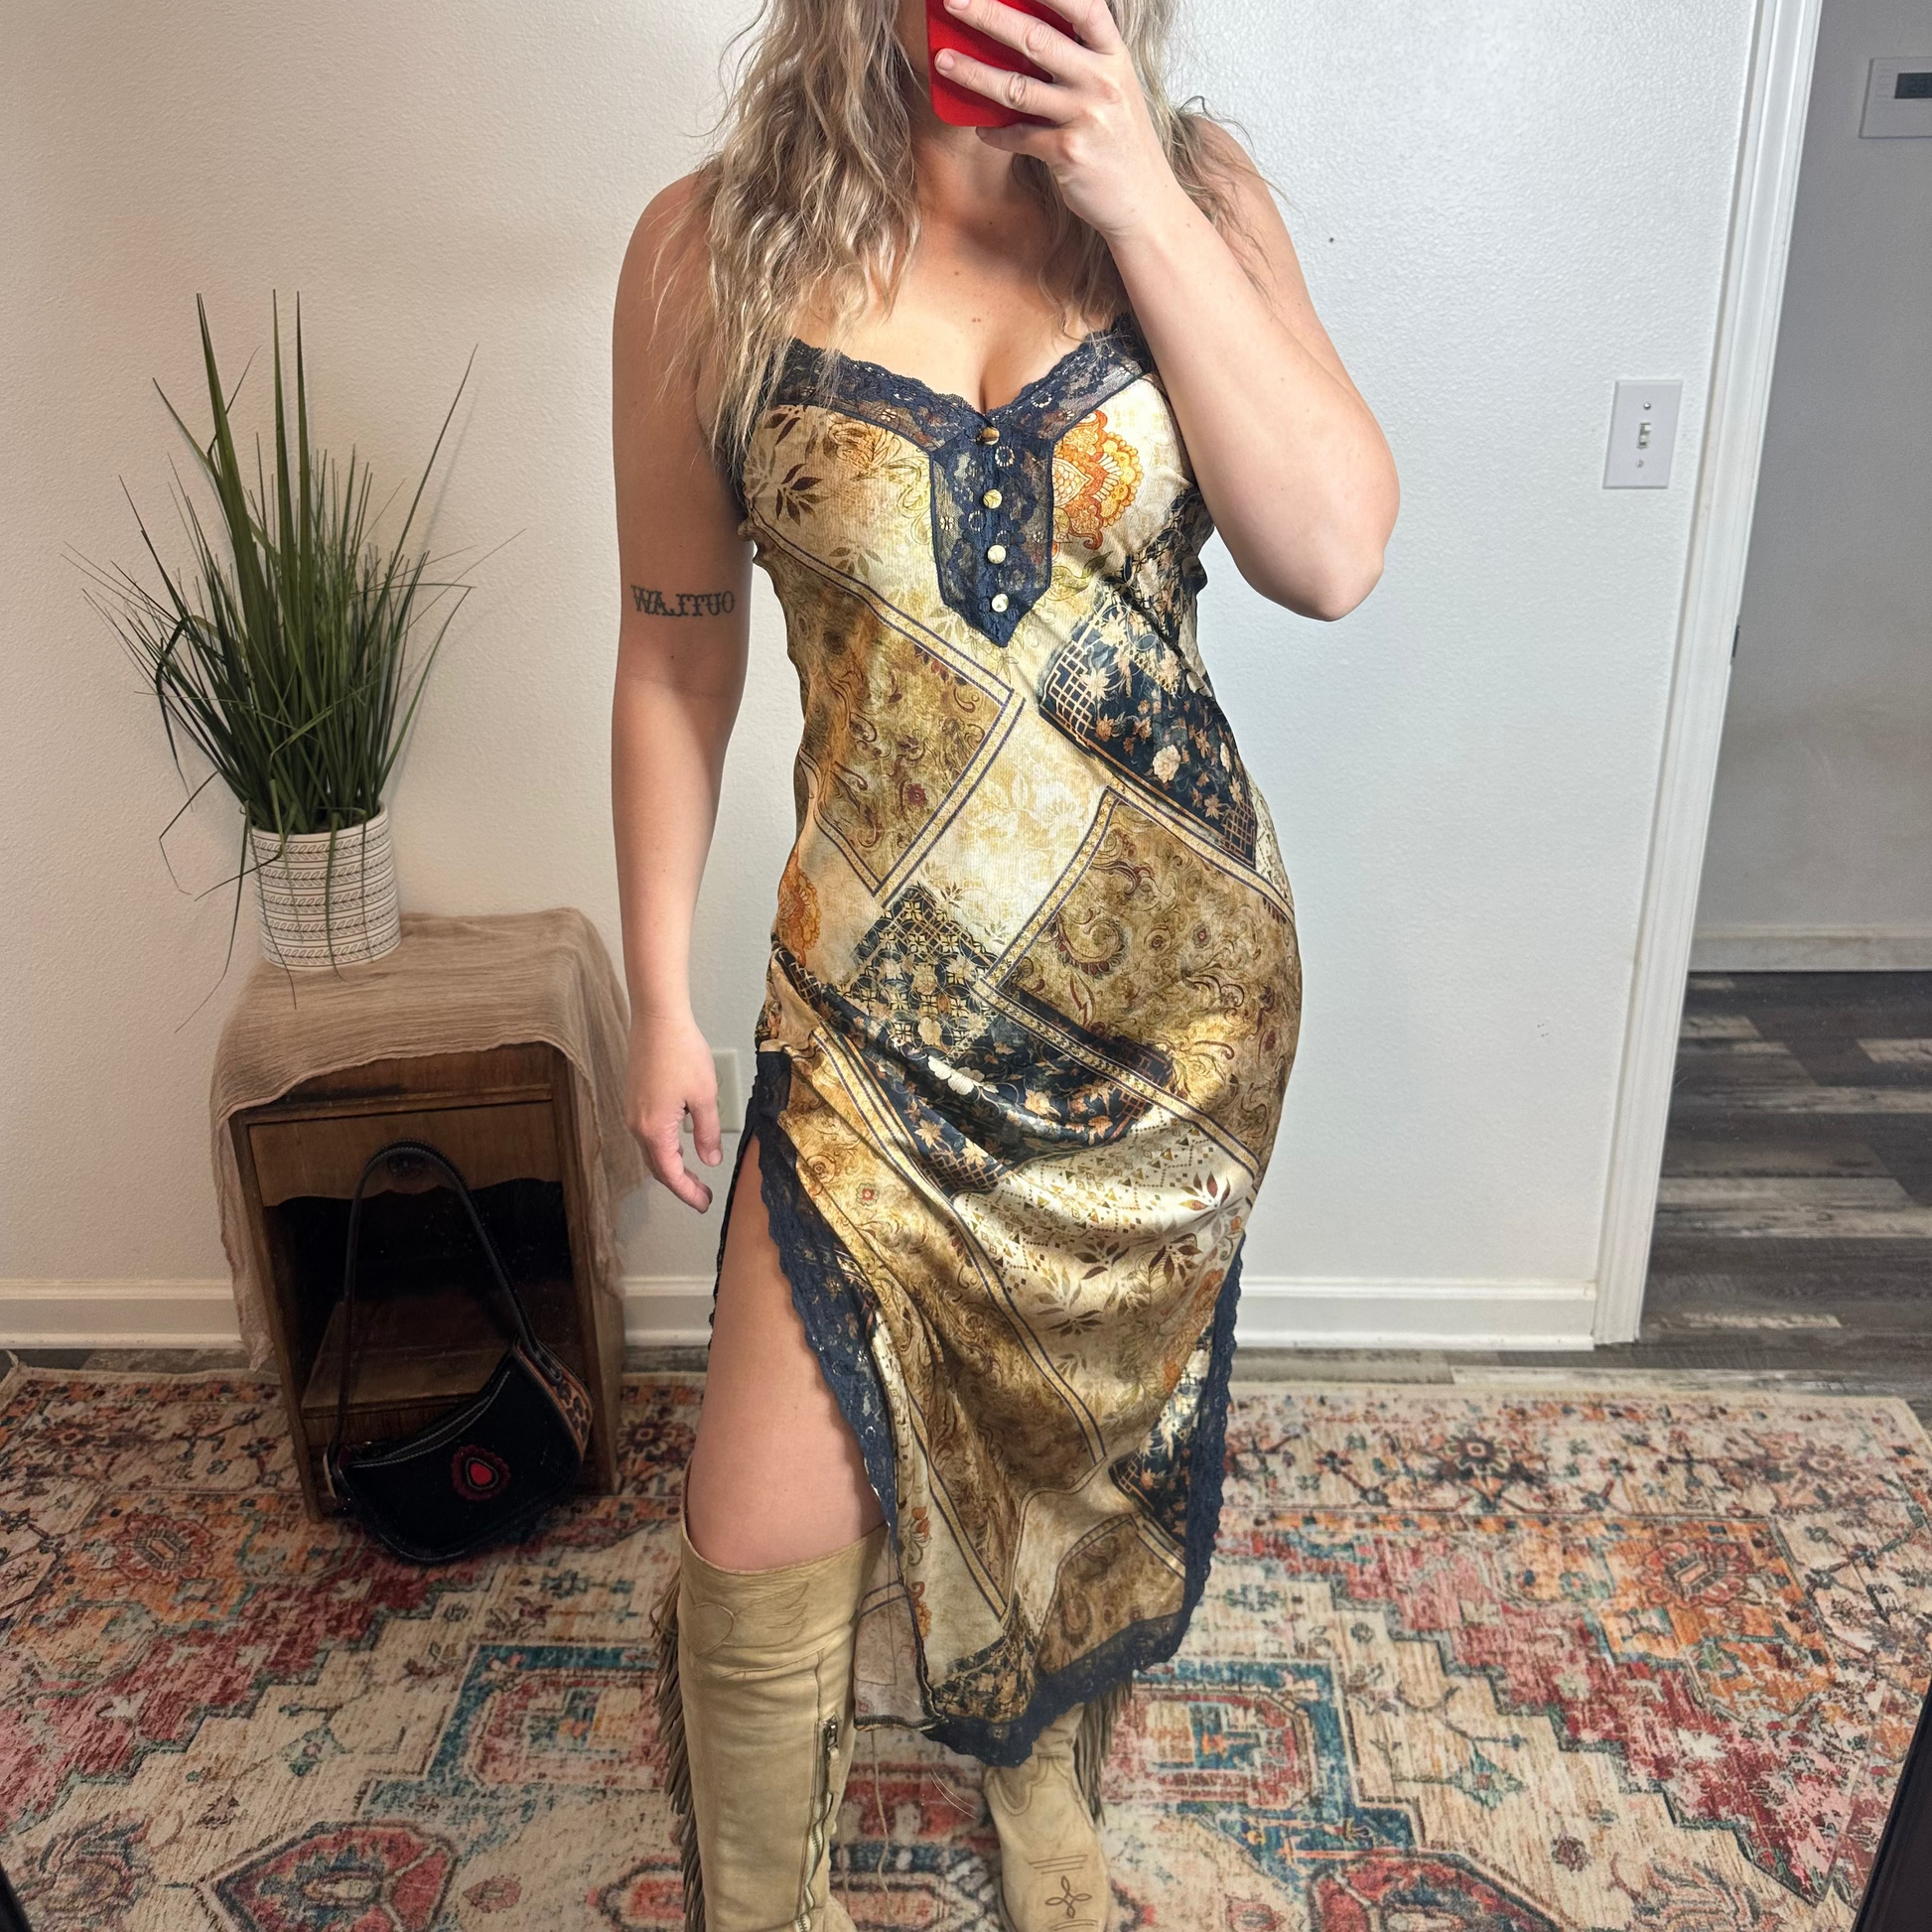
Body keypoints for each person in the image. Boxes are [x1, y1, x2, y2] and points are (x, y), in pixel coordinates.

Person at [611, 0, 1397, 1923]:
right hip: (870, 1032)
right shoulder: (710, 250)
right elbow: (675, 656)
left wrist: (1134, 192)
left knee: (1076, 1466)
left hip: (1164, 1048)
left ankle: (1047, 1791)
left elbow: (1330, 550)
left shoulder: (1200, 196)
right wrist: (655, 995)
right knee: (751, 1538)